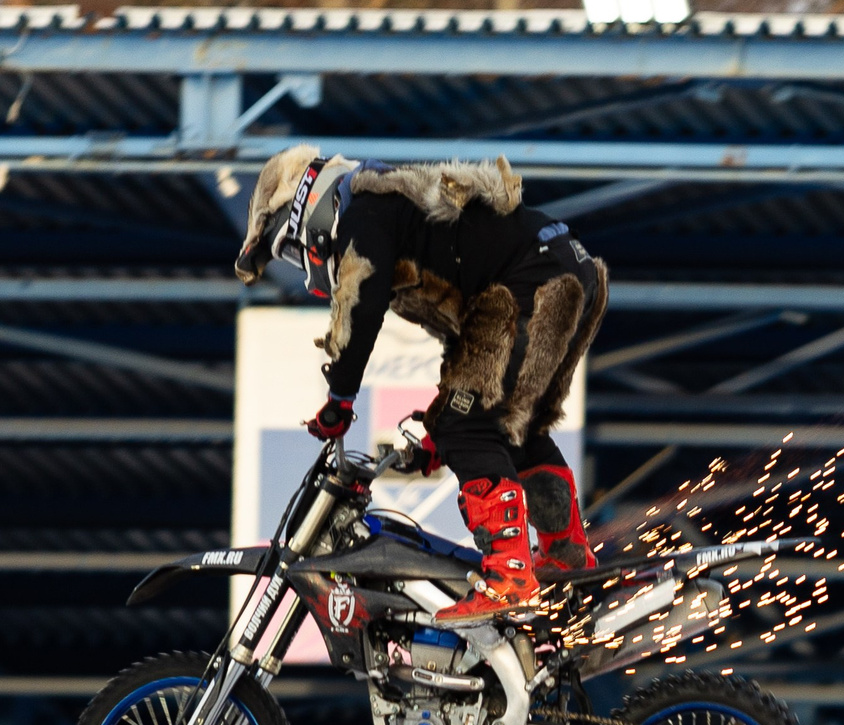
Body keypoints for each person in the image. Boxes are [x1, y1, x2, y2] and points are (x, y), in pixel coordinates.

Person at [235, 147, 607, 627]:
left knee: (469, 429)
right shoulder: (399, 217)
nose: (301, 266)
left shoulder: (362, 207)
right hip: (569, 273)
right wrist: (435, 431)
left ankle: (511, 573)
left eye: (288, 248)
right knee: (512, 428)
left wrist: (339, 400)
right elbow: (473, 356)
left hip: (538, 280)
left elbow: (361, 305)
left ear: (308, 205)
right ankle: (567, 556)